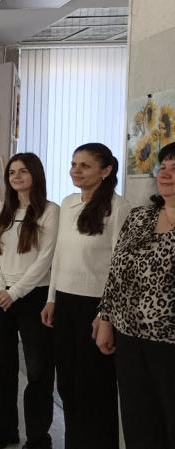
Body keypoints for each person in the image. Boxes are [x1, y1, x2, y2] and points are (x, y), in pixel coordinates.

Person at [40, 143, 130, 449]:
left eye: (85, 165)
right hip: (65, 302)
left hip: (96, 307)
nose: (75, 171)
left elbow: (120, 266)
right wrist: (52, 298)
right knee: (67, 383)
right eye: (73, 164)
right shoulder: (68, 203)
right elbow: (59, 256)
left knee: (95, 386)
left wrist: (107, 314)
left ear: (106, 171)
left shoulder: (118, 208)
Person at [95, 142, 175, 449]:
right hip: (129, 337)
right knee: (138, 420)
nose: (165, 174)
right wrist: (105, 318)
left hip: (170, 341)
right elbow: (117, 271)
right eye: (162, 167)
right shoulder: (140, 216)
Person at [0, 153, 59, 449]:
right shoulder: (0, 210)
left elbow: (46, 258)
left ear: (36, 175)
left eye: (23, 171)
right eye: (12, 172)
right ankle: (4, 431)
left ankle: (38, 437)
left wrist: (14, 293)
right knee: (1, 366)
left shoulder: (50, 211)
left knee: (38, 368)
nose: (16, 176)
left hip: (33, 295)